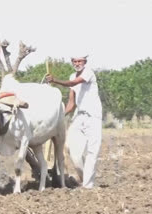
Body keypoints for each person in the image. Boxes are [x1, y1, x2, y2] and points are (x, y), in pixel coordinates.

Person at [46, 55, 102, 188]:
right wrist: (59, 115)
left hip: (93, 116)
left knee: (92, 152)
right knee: (72, 149)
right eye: (75, 61)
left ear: (85, 62)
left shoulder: (88, 73)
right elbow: (71, 103)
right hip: (79, 116)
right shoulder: (72, 76)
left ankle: (88, 186)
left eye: (80, 61)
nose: (77, 63)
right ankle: (84, 178)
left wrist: (55, 80)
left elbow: (73, 83)